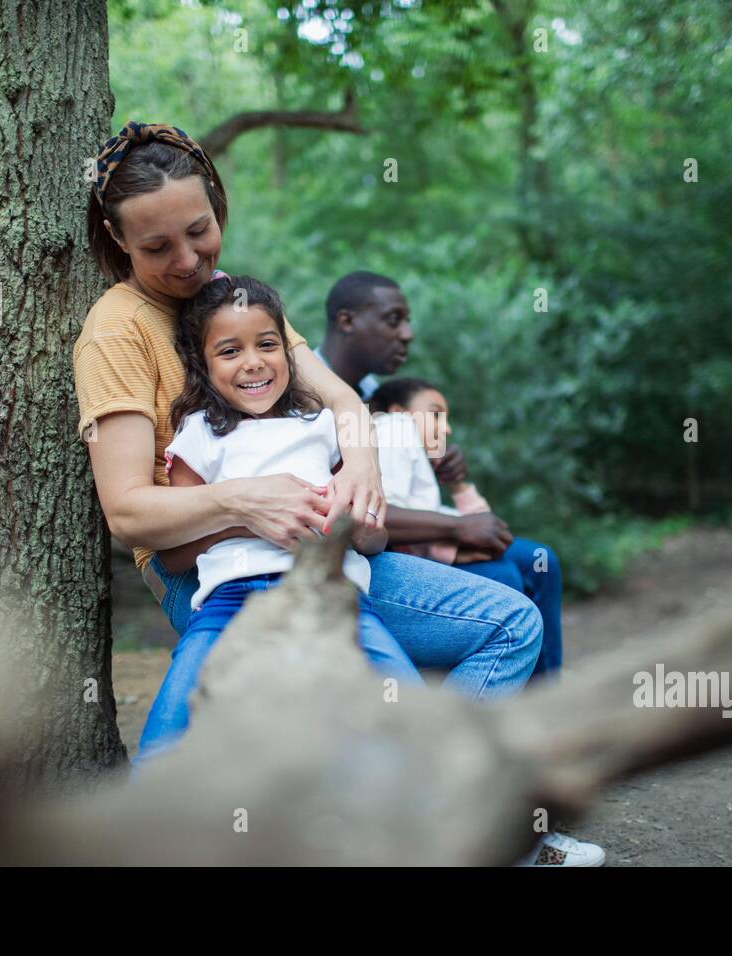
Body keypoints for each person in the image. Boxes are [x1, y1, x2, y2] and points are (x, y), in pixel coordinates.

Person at [72, 122, 594, 865]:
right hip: (211, 571)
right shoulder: (115, 334)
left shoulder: (233, 300)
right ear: (118, 240)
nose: (189, 261)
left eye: (201, 230)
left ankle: (445, 810)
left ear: (218, 205)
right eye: (157, 248)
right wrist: (248, 502)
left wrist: (360, 477)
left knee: (511, 622)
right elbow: (127, 511)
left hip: (322, 544)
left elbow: (347, 405)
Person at [136, 274, 426, 751]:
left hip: (333, 595)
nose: (253, 363)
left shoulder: (323, 426)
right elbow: (173, 556)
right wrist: (243, 519)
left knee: (408, 710)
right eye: (229, 352)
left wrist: (349, 522)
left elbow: (375, 537)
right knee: (167, 733)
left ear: (287, 353)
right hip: (229, 604)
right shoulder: (197, 437)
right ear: (203, 364)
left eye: (267, 344)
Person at [318, 276, 564, 680]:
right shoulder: (311, 393)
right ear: (347, 321)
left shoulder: (375, 393)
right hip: (359, 554)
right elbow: (353, 504)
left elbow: (402, 474)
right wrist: (457, 528)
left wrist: (442, 463)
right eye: (394, 320)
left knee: (541, 563)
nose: (407, 334)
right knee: (504, 577)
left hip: (406, 538)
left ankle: (544, 699)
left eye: (407, 321)